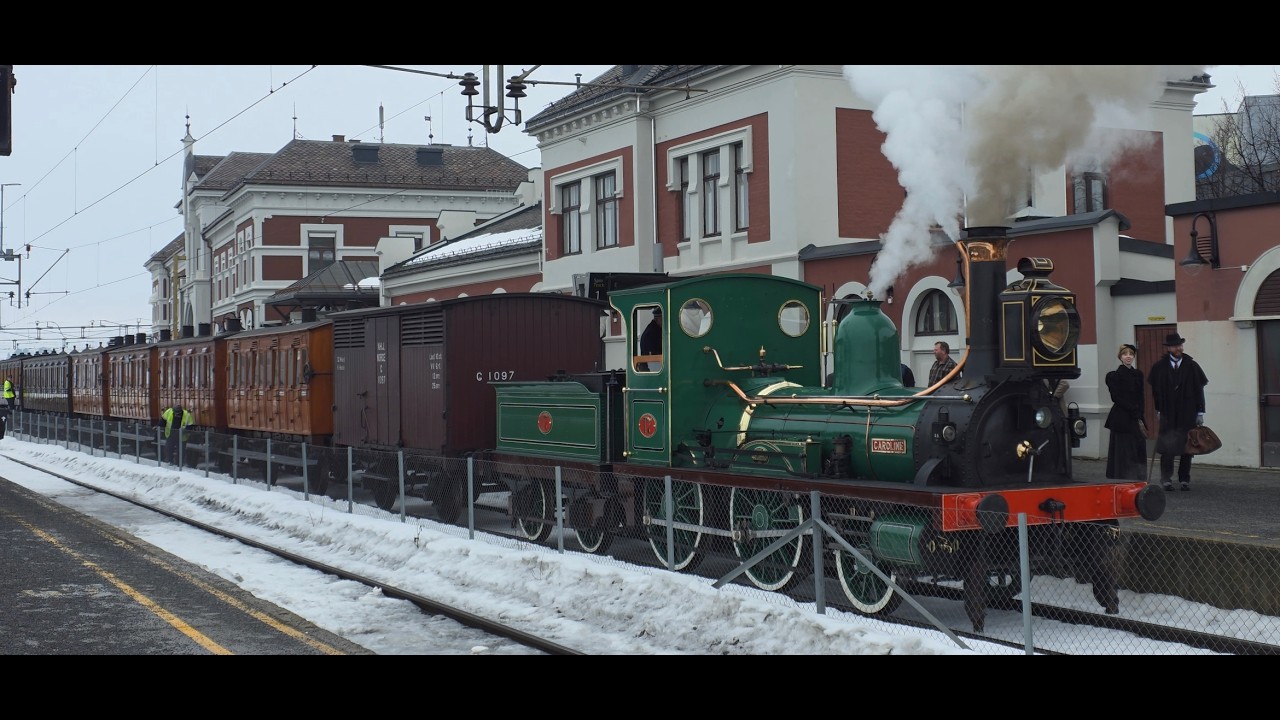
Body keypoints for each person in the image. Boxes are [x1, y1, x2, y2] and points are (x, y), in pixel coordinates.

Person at [1148, 332, 1209, 492]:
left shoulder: (1192, 366)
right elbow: (1156, 391)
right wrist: (1159, 408)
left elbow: (1199, 390)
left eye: (1180, 345)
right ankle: (1166, 479)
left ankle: (1184, 479)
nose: (1178, 348)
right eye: (1175, 346)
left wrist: (1200, 412)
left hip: (1187, 411)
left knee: (1187, 447)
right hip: (1168, 412)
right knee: (1167, 446)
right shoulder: (1159, 368)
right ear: (1168, 348)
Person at [1104, 343, 1147, 481]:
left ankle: (1139, 475)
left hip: (1136, 415)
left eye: (1131, 354)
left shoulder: (1138, 374)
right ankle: (1123, 475)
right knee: (1124, 447)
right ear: (1120, 357)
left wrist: (1139, 412)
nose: (1128, 357)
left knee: (1138, 445)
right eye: (1125, 354)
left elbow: (1141, 396)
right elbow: (1116, 397)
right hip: (1121, 416)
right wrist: (1132, 408)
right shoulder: (1113, 376)